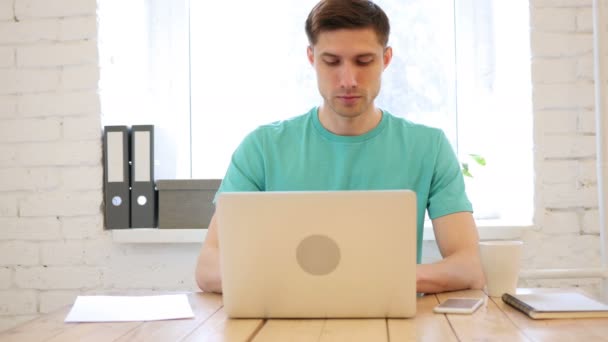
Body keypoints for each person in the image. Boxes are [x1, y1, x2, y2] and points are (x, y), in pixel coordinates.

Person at [195, 0, 485, 294]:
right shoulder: (262, 148)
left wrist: (377, 280)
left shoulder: (429, 147)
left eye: (364, 61)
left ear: (386, 59)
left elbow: (468, 266)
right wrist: (317, 281)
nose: (348, 80)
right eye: (332, 61)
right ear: (311, 58)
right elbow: (208, 266)